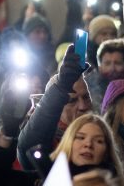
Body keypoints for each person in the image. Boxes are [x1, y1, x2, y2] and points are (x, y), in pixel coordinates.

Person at [17, 45, 92, 173]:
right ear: (57, 104)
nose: (83, 106)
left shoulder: (102, 132)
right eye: (71, 101)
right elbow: (28, 146)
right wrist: (62, 87)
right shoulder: (49, 140)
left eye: (86, 97)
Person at [84, 38, 124, 112]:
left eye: (118, 63)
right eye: (107, 63)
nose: (112, 68)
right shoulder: (88, 88)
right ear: (100, 67)